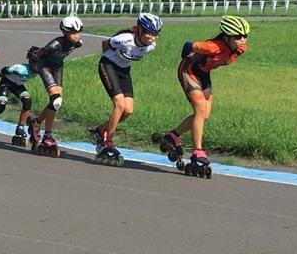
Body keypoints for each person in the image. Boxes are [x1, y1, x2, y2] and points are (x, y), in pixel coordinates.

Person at [161, 15, 250, 168]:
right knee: (200, 109)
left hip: (204, 73)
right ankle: (198, 151)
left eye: (245, 36)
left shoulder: (241, 48)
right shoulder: (212, 46)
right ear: (227, 37)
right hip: (189, 70)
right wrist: (192, 57)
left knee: (205, 114)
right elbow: (188, 45)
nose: (242, 39)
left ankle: (172, 136)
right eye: (238, 36)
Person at [90, 12, 162, 163]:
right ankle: (109, 142)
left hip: (123, 70)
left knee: (128, 110)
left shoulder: (150, 47)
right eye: (149, 33)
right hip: (108, 65)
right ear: (140, 30)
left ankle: (101, 129)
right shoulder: (123, 39)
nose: (152, 38)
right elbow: (105, 43)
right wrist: (110, 59)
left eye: (155, 34)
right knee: (119, 105)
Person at [27, 16, 84, 154]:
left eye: (78, 32)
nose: (76, 36)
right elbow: (37, 54)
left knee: (57, 102)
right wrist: (33, 65)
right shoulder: (55, 44)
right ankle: (48, 134)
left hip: (58, 67)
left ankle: (36, 122)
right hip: (45, 66)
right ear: (64, 32)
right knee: (55, 98)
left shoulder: (77, 43)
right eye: (73, 32)